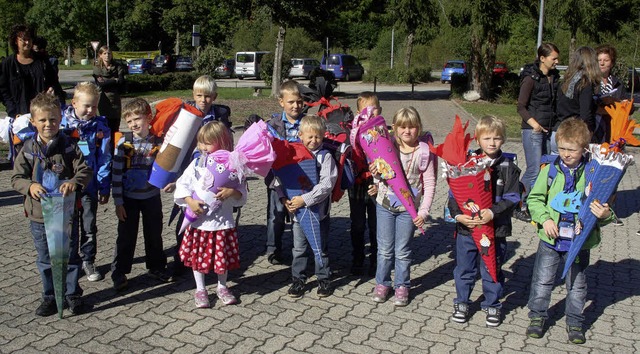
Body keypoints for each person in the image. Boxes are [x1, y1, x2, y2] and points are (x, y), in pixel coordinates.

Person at [525, 118, 615, 344]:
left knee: (576, 284)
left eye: (571, 150)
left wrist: (606, 215)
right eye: (561, 148)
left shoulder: (594, 174)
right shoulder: (550, 170)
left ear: (584, 149)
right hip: (550, 239)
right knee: (543, 280)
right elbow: (534, 200)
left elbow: (602, 207)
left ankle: (575, 321)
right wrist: (544, 219)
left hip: (578, 242)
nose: (565, 154)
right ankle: (537, 316)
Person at [11, 93, 92, 316]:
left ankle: (72, 294)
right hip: (38, 216)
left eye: (54, 119)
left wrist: (75, 183)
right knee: (46, 258)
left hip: (65, 214)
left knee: (70, 256)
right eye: (43, 120)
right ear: (33, 122)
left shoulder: (70, 146)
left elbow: (84, 170)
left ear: (61, 119)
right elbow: (16, 178)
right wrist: (30, 186)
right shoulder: (27, 149)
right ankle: (49, 296)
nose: (49, 124)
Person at [448, 116, 521, 327]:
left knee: (491, 268)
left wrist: (493, 212)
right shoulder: (467, 163)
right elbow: (454, 193)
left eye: (497, 138)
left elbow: (514, 197)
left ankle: (492, 304)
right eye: (486, 138)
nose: (492, 143)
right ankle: (462, 302)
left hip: (495, 230)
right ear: (477, 140)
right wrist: (457, 215)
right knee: (464, 269)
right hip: (467, 230)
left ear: (504, 139)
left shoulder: (508, 166)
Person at [370, 107, 437, 307]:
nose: (407, 131)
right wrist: (375, 175)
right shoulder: (387, 145)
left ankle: (402, 285)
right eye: (402, 127)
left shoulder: (424, 152)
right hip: (385, 205)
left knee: (403, 250)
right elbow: (380, 172)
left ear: (419, 128)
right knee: (384, 250)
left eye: (412, 127)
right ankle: (382, 283)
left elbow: (431, 184)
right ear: (394, 128)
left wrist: (423, 212)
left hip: (409, 210)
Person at [174, 121, 246, 308]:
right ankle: (200, 289)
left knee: (222, 259)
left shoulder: (234, 165)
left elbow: (242, 193)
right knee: (199, 259)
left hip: (222, 223)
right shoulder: (197, 163)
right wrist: (189, 201)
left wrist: (232, 193)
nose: (203, 147)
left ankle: (222, 286)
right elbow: (182, 185)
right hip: (200, 224)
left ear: (222, 143)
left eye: (208, 143)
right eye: (201, 142)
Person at [172, 75, 232, 277]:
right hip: (191, 171)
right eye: (199, 95)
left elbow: (228, 144)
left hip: (215, 176)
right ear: (193, 95)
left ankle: (212, 260)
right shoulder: (186, 114)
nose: (203, 100)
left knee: (212, 218)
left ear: (214, 96)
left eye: (207, 96)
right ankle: (182, 260)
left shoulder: (220, 118)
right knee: (187, 215)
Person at [110, 98, 173, 291]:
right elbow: (116, 174)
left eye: (137, 119)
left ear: (148, 118)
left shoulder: (159, 142)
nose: (134, 124)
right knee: (126, 237)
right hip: (128, 199)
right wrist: (118, 202)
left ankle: (156, 267)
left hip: (151, 196)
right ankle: (119, 272)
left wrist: (171, 182)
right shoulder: (124, 143)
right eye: (129, 121)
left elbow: (167, 166)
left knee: (154, 234)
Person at [278, 115, 337, 298]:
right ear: (300, 135)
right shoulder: (293, 153)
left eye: (318, 137)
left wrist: (306, 199)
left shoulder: (325, 157)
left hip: (319, 213)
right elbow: (280, 180)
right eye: (309, 137)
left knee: (320, 247)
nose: (313, 141)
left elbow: (327, 184)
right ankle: (298, 279)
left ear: (323, 136)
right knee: (299, 248)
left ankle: (324, 278)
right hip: (297, 215)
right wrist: (283, 199)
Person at [60, 82, 111, 282]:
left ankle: (88, 260)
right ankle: (71, 262)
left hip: (90, 186)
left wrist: (104, 186)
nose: (90, 111)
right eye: (86, 106)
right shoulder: (62, 126)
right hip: (68, 187)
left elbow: (105, 157)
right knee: (68, 226)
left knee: (89, 226)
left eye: (94, 106)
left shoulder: (100, 127)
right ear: (74, 103)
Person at [516, 43, 560, 222]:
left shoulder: (554, 77)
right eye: (554, 58)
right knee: (534, 170)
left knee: (546, 169)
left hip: (549, 128)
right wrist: (534, 124)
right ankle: (519, 202)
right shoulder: (531, 78)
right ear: (543, 58)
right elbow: (521, 106)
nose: (557, 61)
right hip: (533, 129)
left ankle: (538, 202)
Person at [264, 80, 304, 265]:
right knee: (277, 213)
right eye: (291, 102)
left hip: (301, 177)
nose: (296, 105)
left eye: (299, 101)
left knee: (300, 213)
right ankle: (273, 248)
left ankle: (303, 248)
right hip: (277, 177)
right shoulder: (272, 124)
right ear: (281, 102)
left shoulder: (308, 123)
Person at [0, 24, 65, 119]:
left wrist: (52, 89)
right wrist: (13, 111)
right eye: (24, 40)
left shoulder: (42, 61)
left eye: (29, 39)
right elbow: (3, 91)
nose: (27, 42)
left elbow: (54, 82)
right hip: (19, 115)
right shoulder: (7, 64)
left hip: (42, 113)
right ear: (16, 41)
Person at [349, 92, 380, 275]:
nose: (370, 113)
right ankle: (358, 257)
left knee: (377, 225)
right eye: (365, 110)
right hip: (358, 184)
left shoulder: (383, 131)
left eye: (374, 109)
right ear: (358, 112)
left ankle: (377, 259)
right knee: (358, 224)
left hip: (378, 184)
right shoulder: (353, 132)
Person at [553, 46, 601, 153]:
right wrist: (589, 132)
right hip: (573, 137)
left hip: (557, 131)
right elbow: (585, 115)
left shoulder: (566, 81)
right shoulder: (584, 83)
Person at [93, 46, 126, 137]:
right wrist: (114, 80)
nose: (107, 55)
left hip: (115, 99)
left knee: (115, 126)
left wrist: (109, 81)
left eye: (109, 53)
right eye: (105, 53)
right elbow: (101, 84)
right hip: (103, 99)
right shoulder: (97, 68)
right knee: (103, 126)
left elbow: (121, 81)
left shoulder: (118, 66)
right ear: (100, 55)